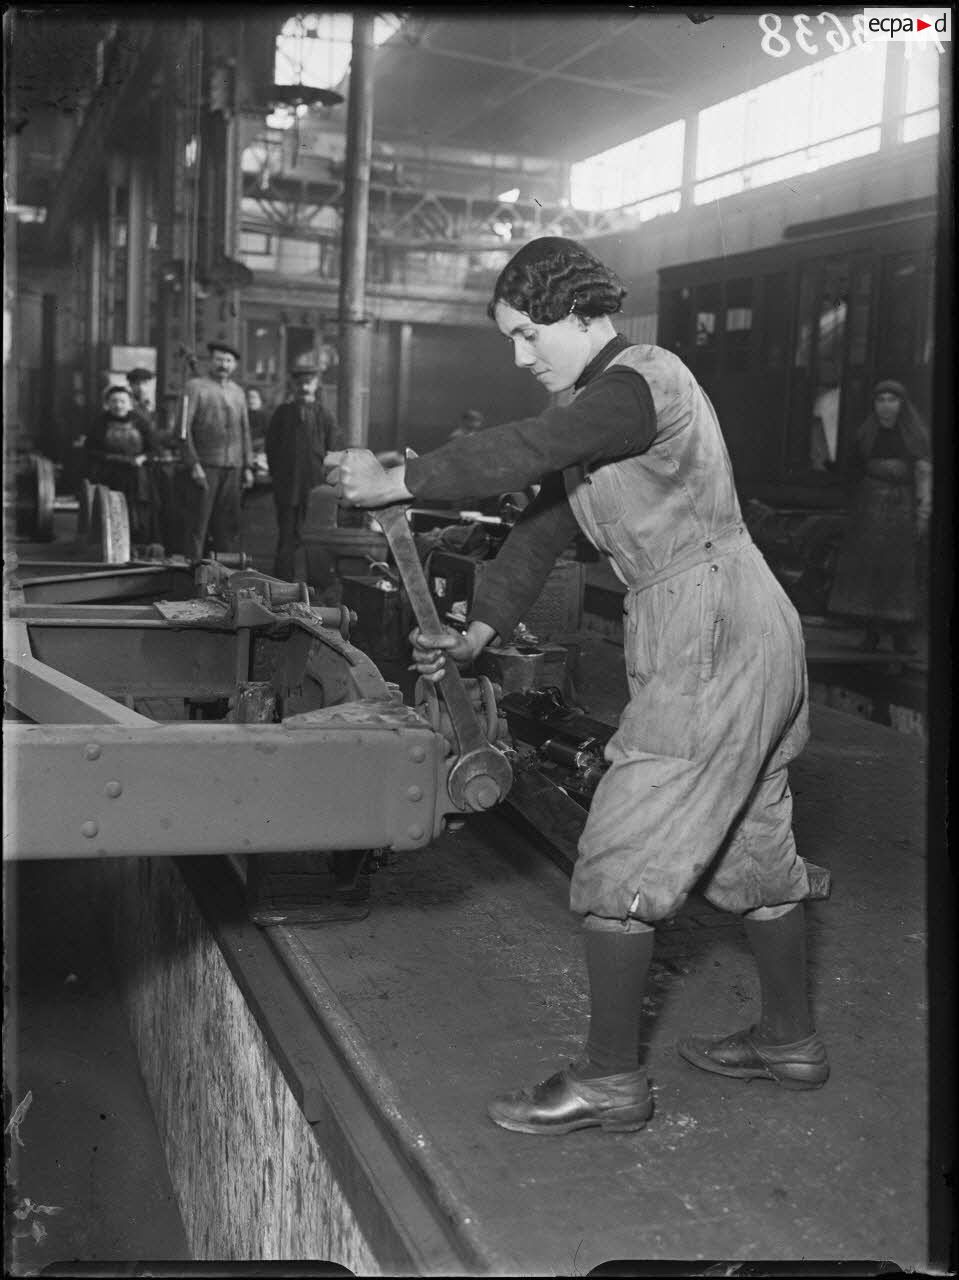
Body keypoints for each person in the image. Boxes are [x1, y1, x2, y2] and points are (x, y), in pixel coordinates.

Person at [325, 236, 827, 1137]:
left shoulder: (638, 382)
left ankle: (606, 1080)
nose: (522, 358)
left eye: (527, 334)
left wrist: (398, 477)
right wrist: (473, 635)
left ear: (583, 312)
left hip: (709, 622)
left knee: (622, 850)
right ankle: (788, 1041)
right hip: (735, 622)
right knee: (753, 841)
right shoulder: (597, 414)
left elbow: (529, 448)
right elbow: (535, 538)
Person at [827, 379, 931, 653]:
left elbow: (923, 472)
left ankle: (901, 637)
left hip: (902, 509)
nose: (886, 406)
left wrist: (922, 512)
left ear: (902, 404)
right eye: (880, 400)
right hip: (869, 509)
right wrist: (854, 503)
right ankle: (870, 633)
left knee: (900, 571)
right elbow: (853, 471)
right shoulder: (865, 435)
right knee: (868, 569)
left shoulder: (914, 436)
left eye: (892, 400)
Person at [265, 353, 343, 582]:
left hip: (316, 487)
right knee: (287, 536)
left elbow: (334, 451)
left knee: (315, 537)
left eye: (309, 383)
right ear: (294, 385)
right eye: (300, 383)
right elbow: (272, 449)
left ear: (316, 385)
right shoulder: (282, 413)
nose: (304, 387)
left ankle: (314, 586)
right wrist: (278, 477)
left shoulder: (325, 416)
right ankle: (282, 583)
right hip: (287, 487)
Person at [181, 340, 254, 560]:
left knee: (227, 526)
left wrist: (248, 465)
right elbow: (182, 431)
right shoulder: (195, 387)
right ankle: (191, 576)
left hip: (233, 468)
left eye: (229, 361)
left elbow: (245, 431)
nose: (224, 364)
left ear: (235, 366)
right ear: (211, 361)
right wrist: (193, 464)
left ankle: (224, 578)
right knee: (198, 524)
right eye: (219, 359)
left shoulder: (238, 392)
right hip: (205, 467)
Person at [84, 384, 157, 545]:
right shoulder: (99, 423)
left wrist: (143, 458)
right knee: (110, 509)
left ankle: (137, 543)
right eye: (114, 401)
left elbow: (153, 449)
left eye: (122, 401)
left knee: (138, 511)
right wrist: (109, 457)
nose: (118, 405)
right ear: (107, 403)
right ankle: (111, 543)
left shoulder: (141, 422)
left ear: (130, 403)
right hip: (108, 473)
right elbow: (90, 450)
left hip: (136, 474)